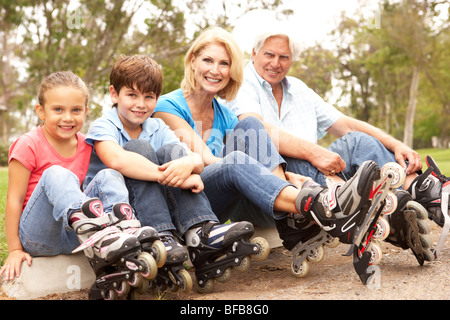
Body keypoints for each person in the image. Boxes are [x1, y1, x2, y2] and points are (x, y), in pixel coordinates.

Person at [153, 27, 381, 259]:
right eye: (208, 60)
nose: (215, 70)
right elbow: (205, 159)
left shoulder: (224, 113)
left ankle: (294, 215)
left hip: (216, 202)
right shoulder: (165, 107)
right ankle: (316, 204)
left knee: (251, 125)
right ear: (192, 61)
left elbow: (257, 148)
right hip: (186, 203)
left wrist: (285, 174)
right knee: (235, 159)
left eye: (224, 63)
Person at [225, 31, 436, 262]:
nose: (276, 63)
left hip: (312, 177)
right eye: (269, 54)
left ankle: (421, 193)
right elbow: (255, 129)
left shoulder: (298, 88)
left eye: (284, 57)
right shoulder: (242, 83)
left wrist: (396, 145)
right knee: (266, 137)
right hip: (267, 189)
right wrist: (314, 152)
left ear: (292, 59)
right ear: (254, 53)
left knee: (358, 141)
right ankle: (385, 211)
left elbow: (344, 124)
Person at [84, 54, 273, 293]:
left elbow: (191, 158)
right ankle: (160, 237)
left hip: (156, 206)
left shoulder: (157, 126)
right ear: (114, 94)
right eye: (132, 95)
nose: (140, 104)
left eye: (149, 97)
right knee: (138, 149)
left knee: (171, 150)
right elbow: (117, 160)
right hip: (119, 217)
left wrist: (189, 165)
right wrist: (169, 174)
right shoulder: (104, 125)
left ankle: (199, 233)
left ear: (156, 98)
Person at [0, 72, 156, 296]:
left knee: (109, 174)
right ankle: (92, 227)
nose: (68, 118)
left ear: (86, 111)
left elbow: (100, 183)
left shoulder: (87, 144)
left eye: (76, 110)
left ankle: (120, 233)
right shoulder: (28, 144)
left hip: (78, 235)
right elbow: (14, 200)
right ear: (40, 111)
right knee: (56, 173)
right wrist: (15, 249)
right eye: (58, 110)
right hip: (40, 236)